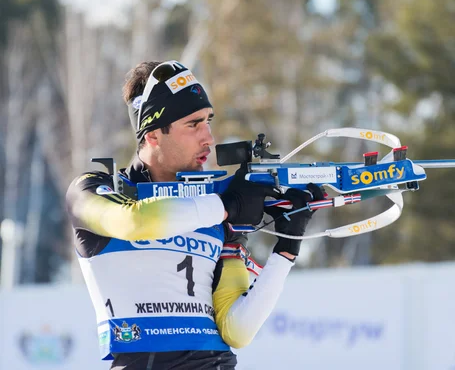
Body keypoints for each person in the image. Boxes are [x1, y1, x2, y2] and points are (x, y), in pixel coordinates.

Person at [65, 60, 324, 369]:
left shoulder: (213, 208)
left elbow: (237, 330)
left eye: (208, 121)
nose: (209, 138)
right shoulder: (93, 190)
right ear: (152, 135)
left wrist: (287, 247)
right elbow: (134, 221)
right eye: (193, 124)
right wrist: (226, 206)